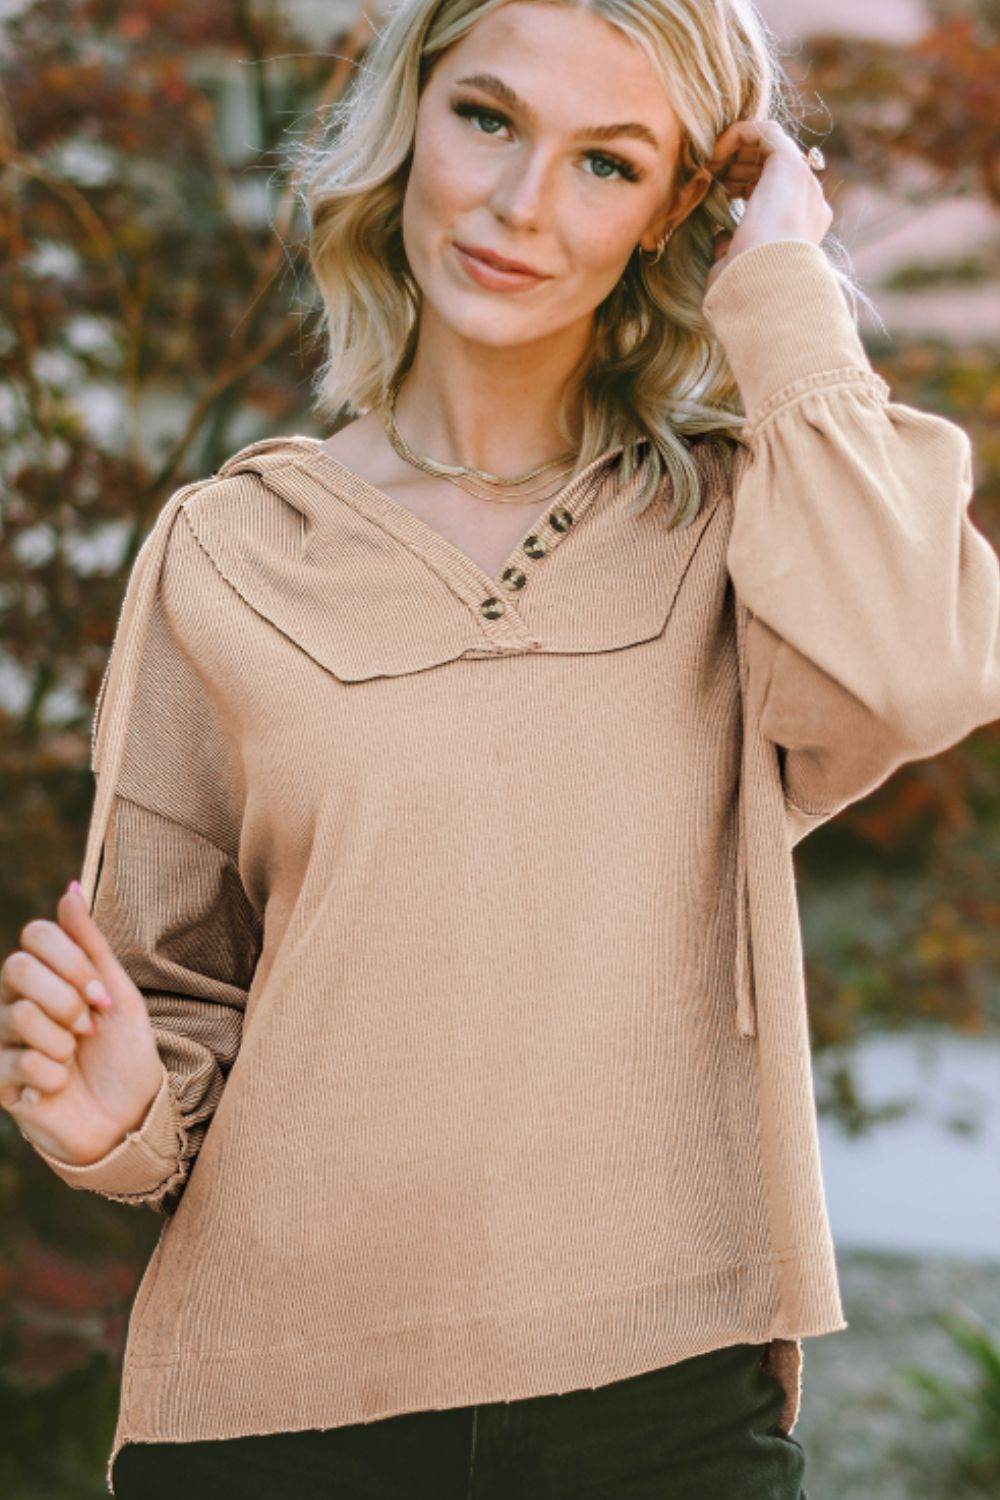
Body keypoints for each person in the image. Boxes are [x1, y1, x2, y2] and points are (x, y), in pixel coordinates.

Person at [3, 1, 999, 1496]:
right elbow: (169, 1001)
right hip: (276, 1410)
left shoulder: (743, 528)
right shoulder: (229, 549)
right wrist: (118, 1113)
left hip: (663, 1408)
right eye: (488, 119)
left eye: (609, 163)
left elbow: (921, 670)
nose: (524, 204)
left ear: (676, 210)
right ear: (411, 116)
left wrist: (785, 275)